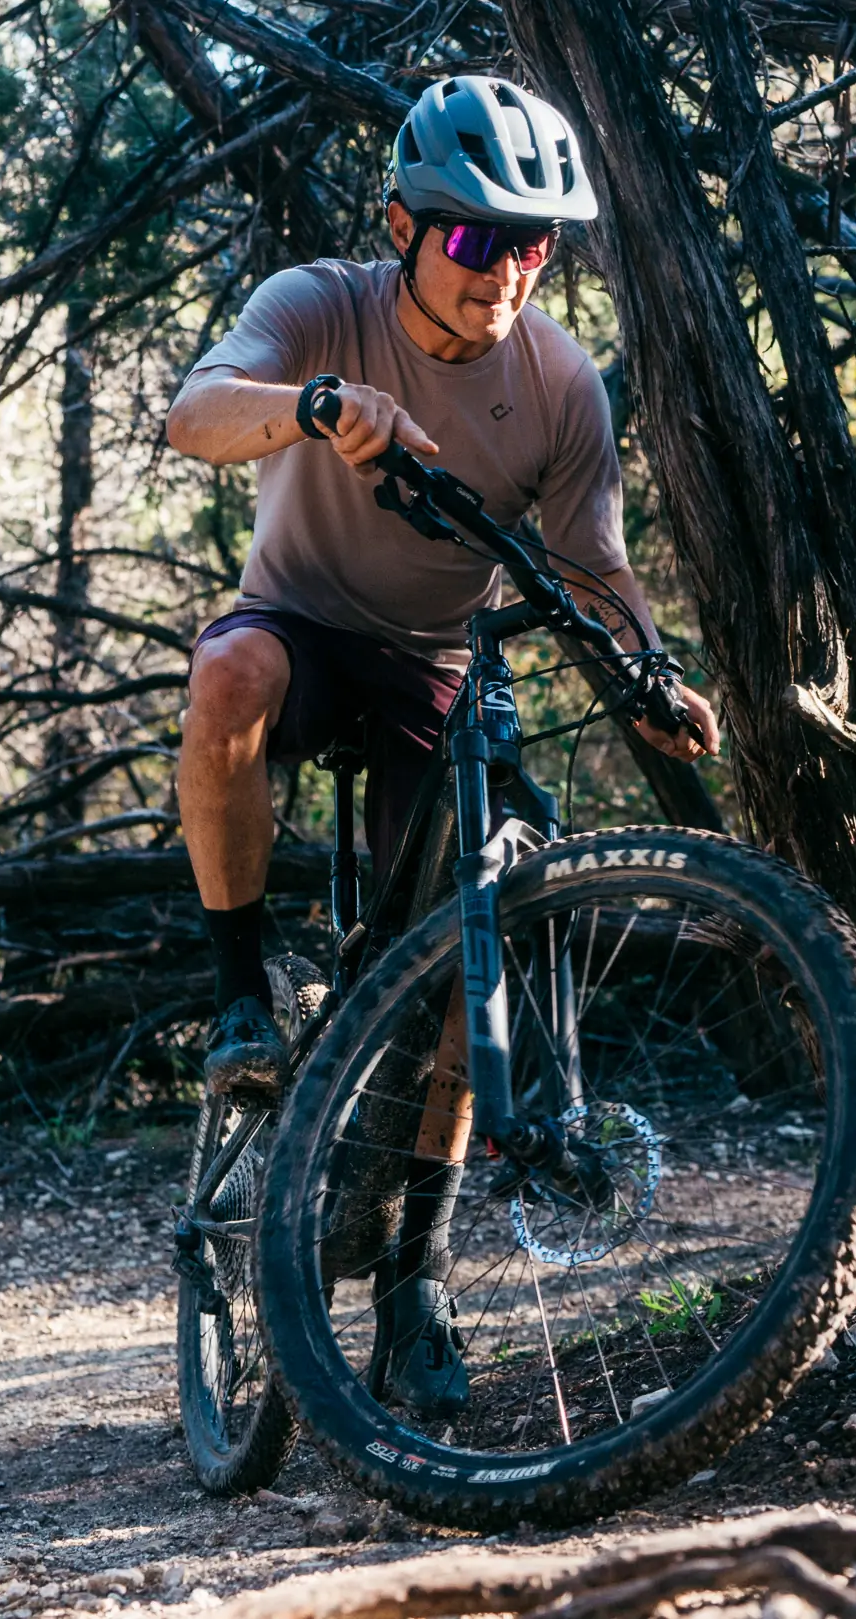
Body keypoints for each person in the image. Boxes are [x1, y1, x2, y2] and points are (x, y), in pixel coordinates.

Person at [163, 75, 720, 1412]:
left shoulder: (558, 381)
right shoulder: (323, 304)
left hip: (445, 665)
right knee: (227, 666)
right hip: (299, 625)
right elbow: (196, 414)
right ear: (405, 224)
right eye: (473, 239)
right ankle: (243, 992)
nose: (504, 273)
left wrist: (648, 668)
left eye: (533, 244)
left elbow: (593, 562)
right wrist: (312, 405)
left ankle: (415, 1275)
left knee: (492, 909)